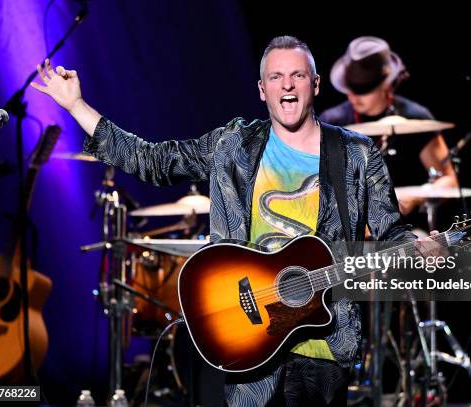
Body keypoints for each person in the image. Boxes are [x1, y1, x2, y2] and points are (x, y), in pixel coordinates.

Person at [32, 36, 417, 406]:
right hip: (250, 342)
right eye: (276, 77)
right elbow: (152, 159)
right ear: (262, 89)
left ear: (314, 85)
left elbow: (392, 232)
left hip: (324, 349)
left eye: (298, 75)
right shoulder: (232, 146)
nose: (287, 85)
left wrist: (417, 247)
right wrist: (78, 106)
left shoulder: (357, 154)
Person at [320, 36, 457, 219]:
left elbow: (449, 180)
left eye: (363, 90)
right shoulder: (333, 122)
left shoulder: (415, 117)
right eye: (350, 88)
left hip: (407, 230)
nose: (353, 96)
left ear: (385, 84)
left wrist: (415, 197)